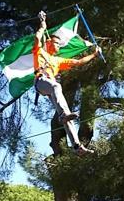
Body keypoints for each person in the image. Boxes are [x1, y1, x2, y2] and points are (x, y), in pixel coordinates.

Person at [33, 11, 100, 156]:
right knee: (57, 86)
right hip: (41, 82)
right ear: (50, 42)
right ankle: (64, 115)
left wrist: (94, 54)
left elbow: (78, 62)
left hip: (49, 87)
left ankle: (77, 146)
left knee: (67, 115)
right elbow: (38, 37)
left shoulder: (58, 60)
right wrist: (43, 25)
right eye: (57, 43)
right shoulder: (39, 51)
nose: (59, 47)